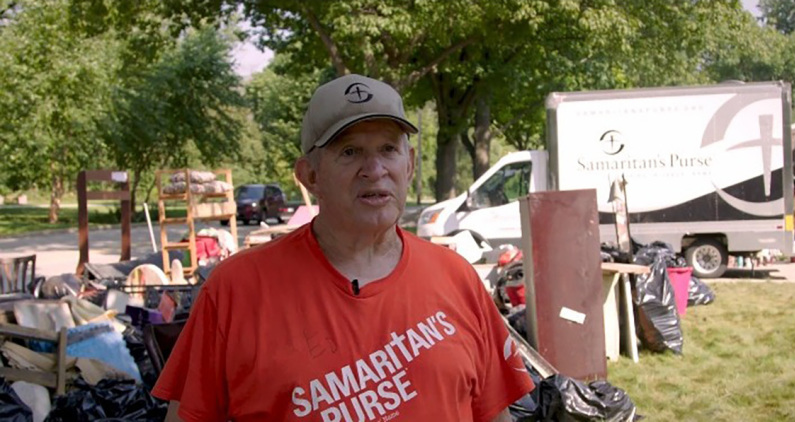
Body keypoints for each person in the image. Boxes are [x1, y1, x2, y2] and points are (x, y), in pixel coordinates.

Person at [153, 74, 534, 421]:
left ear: (410, 164)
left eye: (388, 149)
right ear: (309, 175)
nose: (374, 169)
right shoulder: (235, 290)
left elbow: (494, 415)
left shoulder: (457, 279)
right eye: (349, 151)